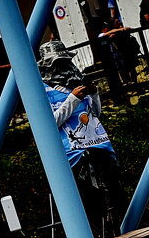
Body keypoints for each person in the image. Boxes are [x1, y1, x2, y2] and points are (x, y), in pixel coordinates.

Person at [38, 40, 124, 235]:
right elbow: (49, 123)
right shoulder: (43, 90)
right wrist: (73, 99)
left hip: (98, 145)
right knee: (89, 201)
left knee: (113, 196)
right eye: (56, 64)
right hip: (73, 152)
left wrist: (93, 95)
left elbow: (94, 113)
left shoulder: (76, 82)